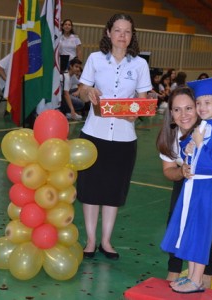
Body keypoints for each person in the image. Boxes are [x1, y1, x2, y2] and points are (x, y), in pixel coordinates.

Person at [77, 13, 152, 260]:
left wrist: (136, 114)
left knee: (113, 190)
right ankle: (90, 240)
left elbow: (142, 101)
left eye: (127, 31)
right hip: (93, 135)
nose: (122, 36)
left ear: (132, 36)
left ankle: (106, 241)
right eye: (118, 30)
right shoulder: (95, 59)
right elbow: (81, 88)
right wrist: (89, 92)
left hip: (124, 139)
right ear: (108, 33)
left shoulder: (140, 65)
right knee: (90, 190)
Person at [156, 86, 212, 290]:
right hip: (187, 176)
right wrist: (183, 168)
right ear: (171, 113)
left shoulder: (211, 128)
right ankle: (178, 271)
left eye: (189, 108)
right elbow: (169, 171)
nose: (184, 114)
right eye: (177, 109)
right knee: (178, 218)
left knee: (203, 223)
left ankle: (204, 275)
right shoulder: (170, 136)